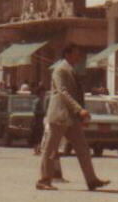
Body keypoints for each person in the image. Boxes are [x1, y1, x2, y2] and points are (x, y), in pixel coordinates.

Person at [36, 44, 109, 192]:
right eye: (76, 54)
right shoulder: (60, 70)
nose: (79, 57)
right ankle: (44, 180)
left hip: (71, 118)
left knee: (83, 148)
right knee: (51, 149)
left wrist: (79, 111)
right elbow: (63, 92)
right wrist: (79, 109)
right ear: (67, 54)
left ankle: (92, 180)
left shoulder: (71, 70)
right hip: (60, 115)